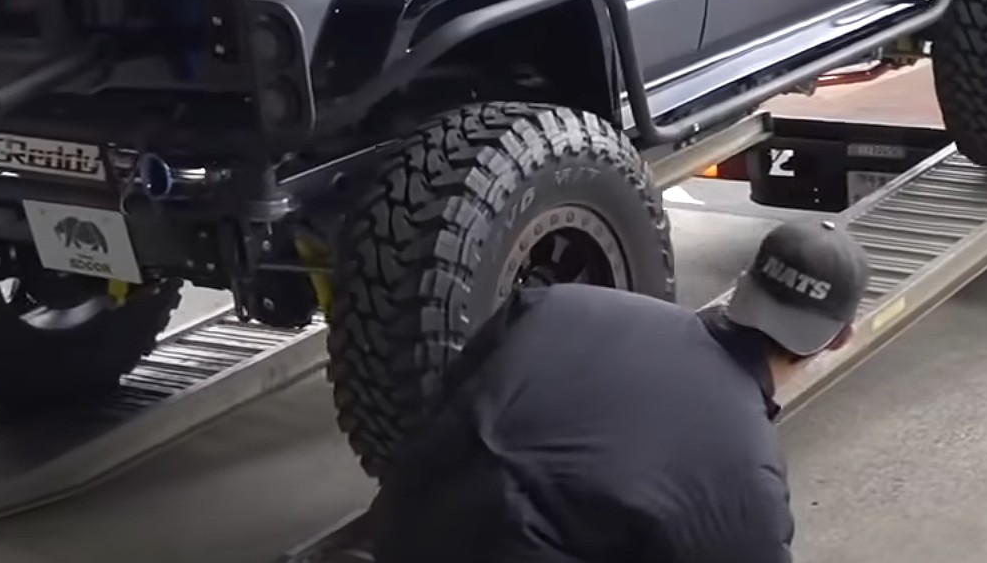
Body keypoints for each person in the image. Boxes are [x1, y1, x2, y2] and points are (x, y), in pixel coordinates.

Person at [368, 217, 870, 562]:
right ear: (839, 339)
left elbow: (450, 400)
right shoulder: (744, 473)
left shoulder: (556, 304)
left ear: (743, 283)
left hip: (399, 534)